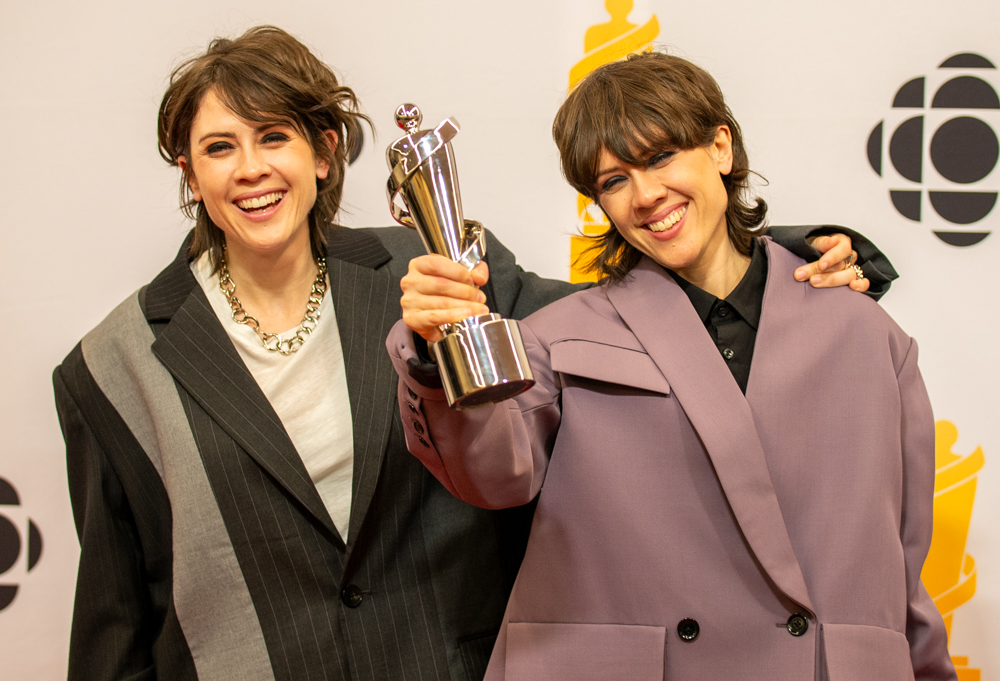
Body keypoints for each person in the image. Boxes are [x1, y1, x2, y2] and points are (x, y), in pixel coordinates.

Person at [53, 26, 890, 681]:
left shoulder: (436, 264)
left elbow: (626, 316)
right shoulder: (112, 366)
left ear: (322, 151)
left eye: (272, 137)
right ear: (189, 174)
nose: (251, 169)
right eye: (218, 147)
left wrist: (778, 254)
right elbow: (116, 617)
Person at [388, 51, 954, 680]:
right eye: (613, 180)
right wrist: (441, 353)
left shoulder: (864, 333)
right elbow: (494, 474)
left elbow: (902, 563)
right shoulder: (558, 336)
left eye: (660, 157)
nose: (646, 194)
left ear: (720, 148)